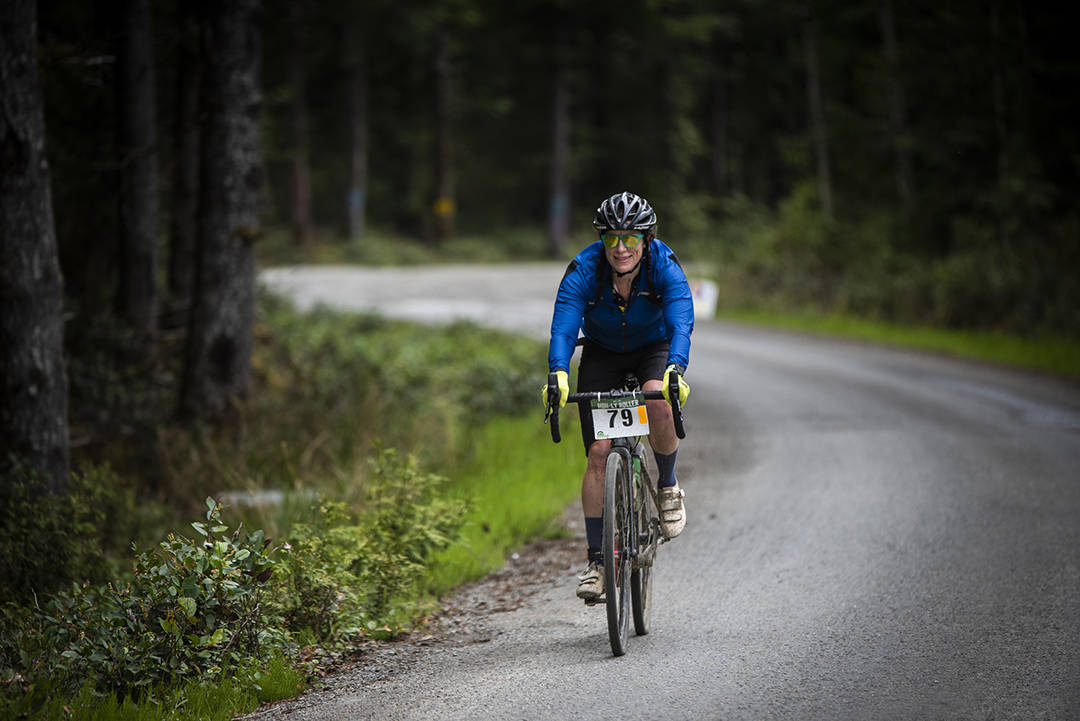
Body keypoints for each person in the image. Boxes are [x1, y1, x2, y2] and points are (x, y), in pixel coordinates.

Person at [544, 191, 693, 602]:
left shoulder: (664, 264)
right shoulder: (584, 269)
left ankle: (666, 485)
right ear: (602, 242)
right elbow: (562, 325)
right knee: (598, 454)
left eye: (631, 238)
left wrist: (675, 369)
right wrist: (557, 371)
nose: (621, 248)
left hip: (653, 348)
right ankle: (596, 561)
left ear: (647, 239)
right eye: (612, 239)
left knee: (657, 400)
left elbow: (682, 318)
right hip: (603, 352)